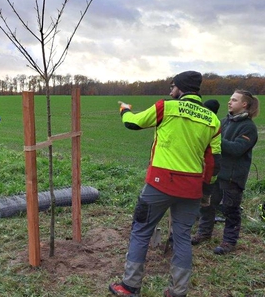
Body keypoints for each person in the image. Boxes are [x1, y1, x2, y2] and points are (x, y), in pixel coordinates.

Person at [109, 71, 221, 297]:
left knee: (141, 231)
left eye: (172, 87)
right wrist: (206, 191)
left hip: (159, 184)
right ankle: (178, 292)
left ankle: (130, 286)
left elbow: (133, 124)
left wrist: (125, 110)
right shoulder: (213, 119)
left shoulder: (166, 107)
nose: (170, 91)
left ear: (180, 88)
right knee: (182, 237)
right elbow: (213, 164)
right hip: (191, 190)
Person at [192, 89, 260, 255]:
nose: (229, 102)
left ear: (244, 104)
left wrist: (214, 138)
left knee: (231, 209)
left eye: (234, 100)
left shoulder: (249, 128)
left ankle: (229, 241)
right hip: (216, 172)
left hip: (232, 176)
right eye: (230, 99)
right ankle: (204, 233)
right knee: (207, 205)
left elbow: (237, 149)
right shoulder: (224, 122)